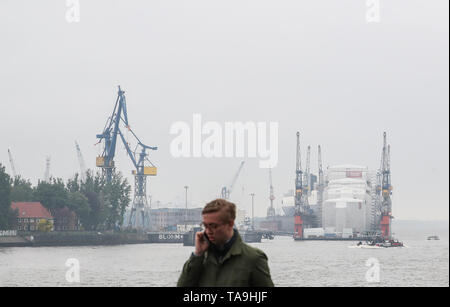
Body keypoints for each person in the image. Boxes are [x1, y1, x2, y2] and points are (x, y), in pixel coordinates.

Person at [177, 198, 274, 287]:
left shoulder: (253, 258)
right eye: (205, 226)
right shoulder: (201, 259)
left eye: (213, 226)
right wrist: (197, 255)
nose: (208, 231)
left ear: (230, 224)